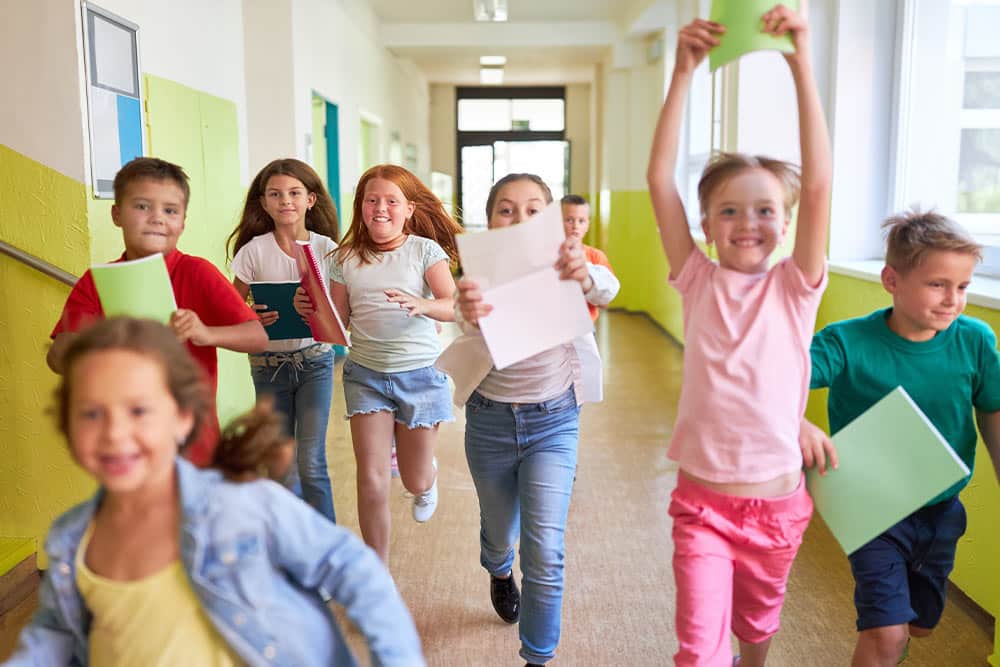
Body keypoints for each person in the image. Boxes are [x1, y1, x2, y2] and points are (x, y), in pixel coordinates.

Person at [4, 317, 424, 667]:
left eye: (138, 410)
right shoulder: (72, 539)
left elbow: (353, 569)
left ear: (184, 418)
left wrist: (396, 658)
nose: (115, 434)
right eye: (91, 413)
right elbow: (55, 635)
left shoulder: (240, 505)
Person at [646, 6, 832, 666]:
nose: (746, 222)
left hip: (777, 508)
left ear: (784, 224)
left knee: (757, 631)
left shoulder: (795, 286)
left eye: (764, 210)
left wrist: (800, 63)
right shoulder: (695, 278)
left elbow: (821, 184)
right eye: (728, 209)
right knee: (700, 651)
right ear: (706, 221)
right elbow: (658, 179)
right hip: (702, 506)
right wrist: (682, 73)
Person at [800, 211, 1000, 667]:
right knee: (885, 633)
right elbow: (775, 378)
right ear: (891, 279)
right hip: (872, 513)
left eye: (963, 287)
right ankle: (887, 646)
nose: (953, 300)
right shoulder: (845, 342)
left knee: (920, 624)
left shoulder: (974, 340)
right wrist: (796, 423)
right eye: (937, 285)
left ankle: (896, 643)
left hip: (941, 513)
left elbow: (992, 408)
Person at [441, 172, 618, 667]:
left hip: (554, 422)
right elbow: (462, 317)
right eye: (506, 209)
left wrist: (584, 275)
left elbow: (606, 288)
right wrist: (467, 312)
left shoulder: (571, 262)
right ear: (490, 218)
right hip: (490, 422)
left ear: (553, 219)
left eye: (534, 210)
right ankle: (498, 570)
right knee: (500, 535)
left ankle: (537, 657)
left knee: (545, 550)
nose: (520, 219)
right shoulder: (475, 275)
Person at [46, 157, 267, 467]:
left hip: (194, 445)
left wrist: (204, 333)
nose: (157, 218)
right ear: (116, 214)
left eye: (170, 210)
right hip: (125, 447)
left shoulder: (198, 273)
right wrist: (101, 343)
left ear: (183, 222)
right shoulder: (96, 282)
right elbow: (56, 356)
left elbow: (258, 337)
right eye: (141, 206)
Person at [296, 164, 461, 562]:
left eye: (391, 201)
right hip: (366, 376)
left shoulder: (424, 251)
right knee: (371, 481)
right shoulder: (344, 259)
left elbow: (453, 305)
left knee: (414, 478)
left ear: (409, 209)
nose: (380, 209)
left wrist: (423, 304)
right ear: (361, 207)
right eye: (372, 200)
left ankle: (426, 478)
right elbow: (339, 320)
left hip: (421, 376)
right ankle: (378, 574)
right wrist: (310, 310)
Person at [228, 158, 340, 522]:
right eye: (275, 194)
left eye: (294, 193)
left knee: (311, 463)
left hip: (316, 364)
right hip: (267, 368)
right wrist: (251, 315)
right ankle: (287, 548)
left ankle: (327, 554)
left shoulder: (328, 250)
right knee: (280, 468)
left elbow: (341, 309)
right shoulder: (253, 251)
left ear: (310, 200)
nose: (285, 201)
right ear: (263, 203)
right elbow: (232, 306)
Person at [560, 194, 619, 321]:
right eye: (569, 220)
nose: (575, 226)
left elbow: (605, 302)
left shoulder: (596, 257)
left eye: (581, 221)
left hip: (586, 328)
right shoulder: (551, 255)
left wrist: (588, 285)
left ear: (587, 225)